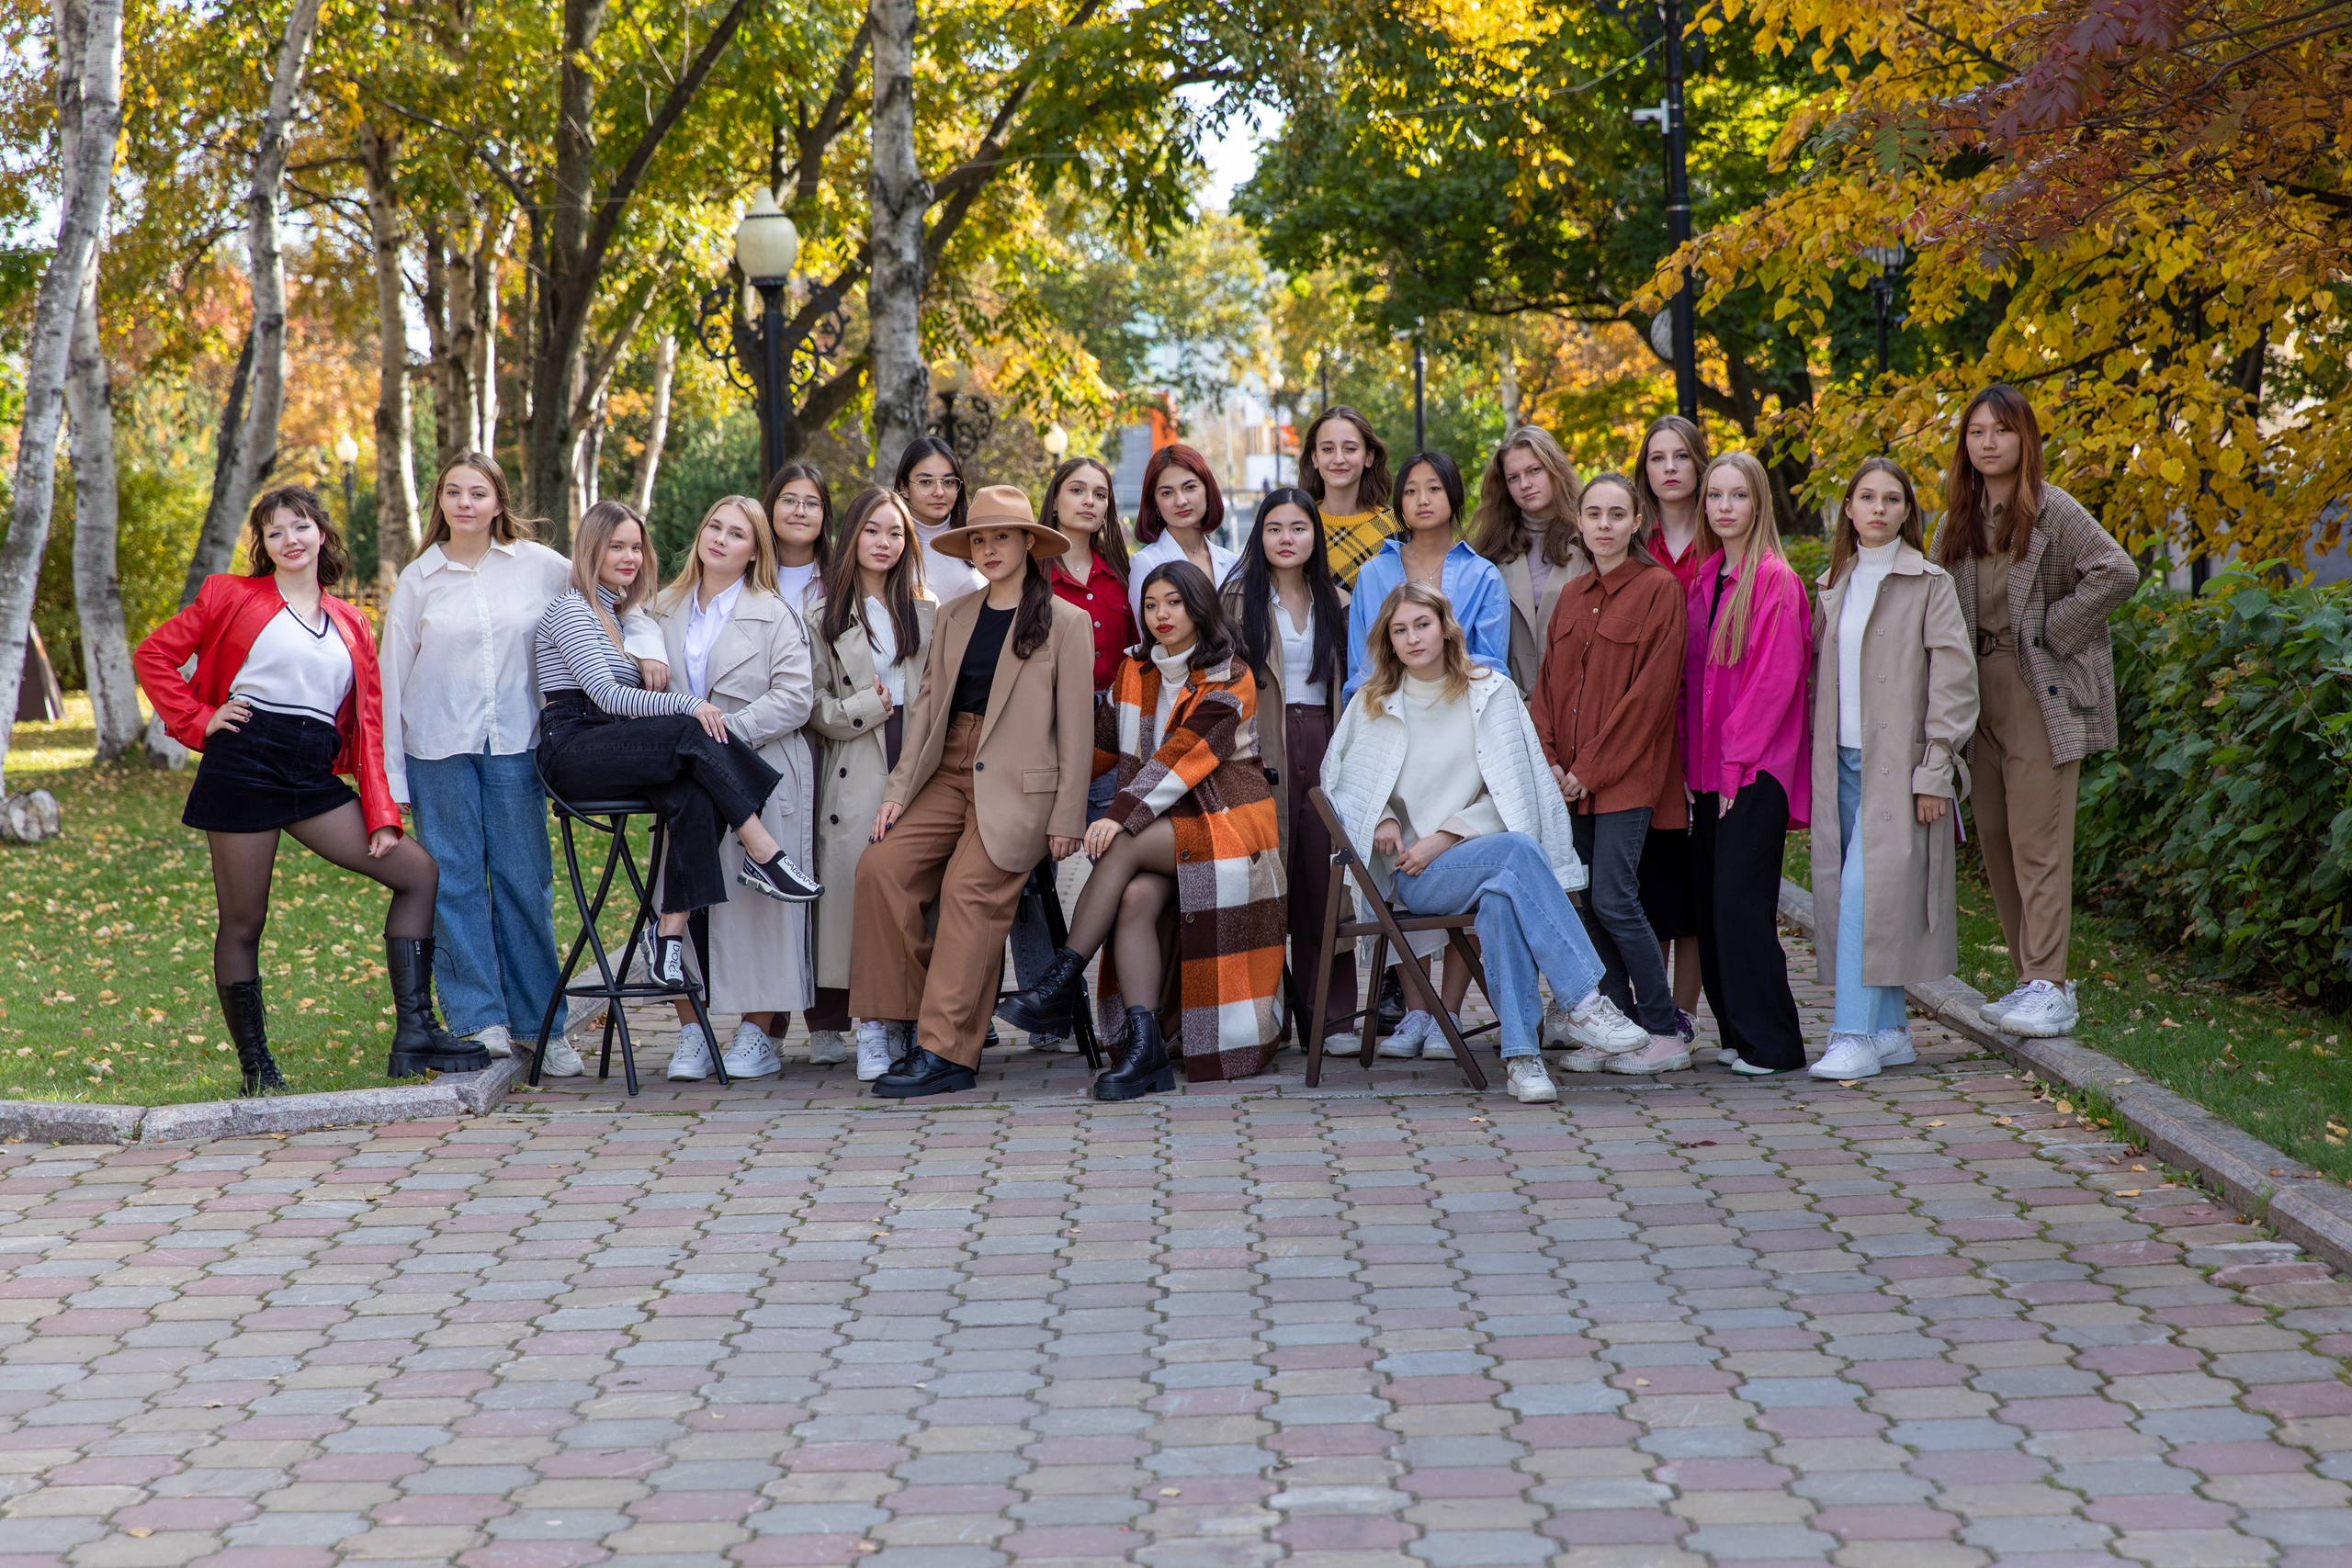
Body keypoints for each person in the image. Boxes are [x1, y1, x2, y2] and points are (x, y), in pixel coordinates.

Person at [136, 485, 484, 1090]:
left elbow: (369, 725)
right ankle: (258, 1069)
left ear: (320, 533)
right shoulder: (232, 595)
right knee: (245, 920)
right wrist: (198, 720)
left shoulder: (352, 623)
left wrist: (380, 810)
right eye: (275, 532)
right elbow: (154, 655)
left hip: (312, 773)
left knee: (417, 873)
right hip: (244, 760)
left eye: (300, 526)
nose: (290, 539)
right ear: (264, 546)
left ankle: (415, 1034)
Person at [378, 450, 668, 1075]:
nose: (465, 503)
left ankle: (544, 1025)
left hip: (517, 744)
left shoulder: (540, 567)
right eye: (453, 491)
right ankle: (479, 1020)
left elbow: (615, 594)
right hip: (438, 749)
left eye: (477, 492)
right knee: (454, 884)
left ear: (499, 501)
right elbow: (392, 680)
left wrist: (643, 646)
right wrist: (393, 777)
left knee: (524, 880)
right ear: (440, 503)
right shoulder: (419, 579)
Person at [1319, 582, 1649, 1102]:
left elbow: (1516, 789)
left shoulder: (1490, 693)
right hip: (1418, 874)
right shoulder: (1374, 703)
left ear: (1446, 627)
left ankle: (1522, 1060)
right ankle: (1583, 1002)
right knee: (1517, 853)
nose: (1412, 638)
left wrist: (1447, 834)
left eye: (1421, 625)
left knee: (1500, 897)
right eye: (1399, 630)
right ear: (1387, 639)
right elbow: (1344, 780)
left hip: (1477, 854)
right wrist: (1382, 817)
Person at [999, 561, 1288, 1094]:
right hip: (1161, 822)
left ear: (1199, 607)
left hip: (1226, 821)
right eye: (1151, 605)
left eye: (1174, 602)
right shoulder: (1135, 669)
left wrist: (1113, 815)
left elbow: (1183, 756)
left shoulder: (1232, 675)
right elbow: (1100, 747)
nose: (1161, 615)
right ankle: (1145, 1046)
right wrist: (1035, 789)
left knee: (1120, 845)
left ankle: (1062, 981)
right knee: (1132, 899)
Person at [851, 486, 1093, 1099]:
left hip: (1020, 787)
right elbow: (929, 708)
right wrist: (897, 789)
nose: (988, 548)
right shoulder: (955, 615)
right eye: (979, 539)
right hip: (948, 769)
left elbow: (1077, 728)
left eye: (1001, 537)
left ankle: (947, 1051)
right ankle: (916, 1021)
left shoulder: (1066, 621)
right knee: (881, 867)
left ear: (1029, 543)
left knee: (966, 890)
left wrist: (1066, 815)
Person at [534, 500, 820, 1009]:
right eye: (616, 546)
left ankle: (666, 935)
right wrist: (691, 705)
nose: (630, 557)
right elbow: (609, 696)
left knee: (693, 793)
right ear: (589, 548)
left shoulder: (620, 614)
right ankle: (764, 852)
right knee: (692, 733)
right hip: (571, 745)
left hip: (610, 741)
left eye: (636, 547)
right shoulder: (571, 610)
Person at [1933, 385, 2137, 1039]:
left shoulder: (2053, 509)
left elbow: (2117, 570)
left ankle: (2052, 982)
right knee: (1994, 838)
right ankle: (2028, 978)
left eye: (2000, 431)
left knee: (2037, 843)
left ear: (2025, 439)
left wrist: (2055, 626)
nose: (1987, 442)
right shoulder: (1957, 519)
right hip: (1975, 692)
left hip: (2037, 688)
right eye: (1975, 432)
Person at [1809, 459, 1978, 1079]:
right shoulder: (1830, 583)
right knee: (1863, 896)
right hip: (1841, 767)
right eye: (1866, 497)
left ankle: (1851, 1034)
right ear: (1848, 508)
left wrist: (1938, 769)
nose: (1878, 508)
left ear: (1909, 511)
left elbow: (1955, 683)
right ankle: (1890, 1030)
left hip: (1899, 770)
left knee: (1863, 896)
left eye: (1892, 498)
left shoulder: (1929, 583)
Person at [650, 495, 818, 1083]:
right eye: (713, 526)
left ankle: (756, 1033)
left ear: (755, 552)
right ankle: (691, 1031)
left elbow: (796, 696)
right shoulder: (658, 608)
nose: (720, 539)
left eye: (737, 534)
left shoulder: (774, 613)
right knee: (679, 897)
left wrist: (724, 734)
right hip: (681, 781)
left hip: (761, 767)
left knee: (760, 908)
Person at [1532, 472, 1690, 1076]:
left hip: (1623, 775)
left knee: (1614, 896)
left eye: (1615, 514)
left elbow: (1650, 697)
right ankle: (1620, 1030)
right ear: (1579, 522)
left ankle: (1663, 1027)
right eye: (1593, 513)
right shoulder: (1571, 596)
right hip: (1566, 777)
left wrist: (1589, 771)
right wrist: (1551, 762)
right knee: (1587, 904)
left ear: (1635, 522)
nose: (1603, 524)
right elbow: (1545, 688)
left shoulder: (1658, 590)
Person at [1681, 451, 1813, 1075]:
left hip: (1755, 772)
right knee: (1710, 904)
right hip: (1707, 773)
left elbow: (1773, 683)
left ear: (1758, 503)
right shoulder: (1706, 580)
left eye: (1737, 496)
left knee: (1740, 900)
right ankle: (1735, 1031)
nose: (1724, 507)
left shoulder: (1775, 581)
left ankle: (1776, 1043)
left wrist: (1735, 767)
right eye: (1715, 496)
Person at [808, 488, 937, 1079]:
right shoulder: (822, 617)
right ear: (851, 537)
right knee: (859, 888)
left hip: (921, 757)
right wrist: (865, 707)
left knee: (916, 893)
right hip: (857, 759)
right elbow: (810, 706)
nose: (883, 544)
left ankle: (916, 1019)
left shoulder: (929, 610)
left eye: (895, 534)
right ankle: (871, 1026)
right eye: (872, 532)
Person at [1013, 456, 1140, 1055]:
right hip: (1044, 733)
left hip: (1112, 737)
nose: (1089, 501)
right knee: (1034, 876)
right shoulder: (1031, 575)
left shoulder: (1124, 575)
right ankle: (1046, 1012)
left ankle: (1118, 1009)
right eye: (1076, 490)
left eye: (1100, 493)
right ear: (1055, 500)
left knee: (1113, 865)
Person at [1221, 489, 1354, 1052]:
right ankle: (1265, 1020)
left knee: (1325, 880)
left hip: (1325, 738)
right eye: (1274, 528)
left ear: (1314, 537)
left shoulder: (1339, 598)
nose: (1286, 539)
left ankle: (1334, 1021)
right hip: (1261, 745)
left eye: (1298, 528)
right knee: (1268, 880)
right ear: (1260, 536)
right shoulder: (1236, 600)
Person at [1630, 414, 1713, 1043]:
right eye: (1658, 458)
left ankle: (1684, 1014)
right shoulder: (1634, 542)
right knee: (1651, 879)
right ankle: (1651, 1008)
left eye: (1681, 456)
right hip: (1649, 732)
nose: (1670, 468)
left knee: (1699, 882)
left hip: (1711, 725)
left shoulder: (1723, 534)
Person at [1342, 450, 1508, 703]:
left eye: (1434, 489)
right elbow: (1362, 666)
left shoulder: (1483, 575)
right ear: (1399, 502)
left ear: (1453, 494)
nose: (1422, 500)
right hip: (1386, 714)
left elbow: (1492, 667)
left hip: (1462, 710)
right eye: (1410, 491)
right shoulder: (1373, 573)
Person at [1471, 425, 1590, 694]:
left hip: (1578, 703)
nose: (1524, 484)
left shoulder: (1590, 541)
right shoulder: (1489, 553)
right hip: (1511, 703)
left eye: (1534, 471)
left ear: (1555, 469)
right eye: (1513, 478)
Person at [1128, 443, 1240, 626]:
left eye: (1190, 488)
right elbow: (1147, 640)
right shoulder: (1146, 564)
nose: (1180, 501)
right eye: (1167, 493)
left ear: (1207, 490)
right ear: (1154, 502)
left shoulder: (1233, 563)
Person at [1299, 405, 1396, 588]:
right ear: (1314, 458)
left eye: (1350, 449)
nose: (1338, 459)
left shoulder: (1396, 528)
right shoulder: (1299, 525)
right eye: (1327, 449)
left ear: (1369, 457)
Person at [894, 435, 986, 602]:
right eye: (926, 482)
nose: (939, 492)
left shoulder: (978, 537)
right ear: (904, 487)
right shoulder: (890, 541)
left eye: (948, 482)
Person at [763, 461, 832, 609]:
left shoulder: (840, 584)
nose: (800, 512)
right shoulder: (746, 577)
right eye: (789, 500)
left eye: (812, 504)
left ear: (824, 517)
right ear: (771, 508)